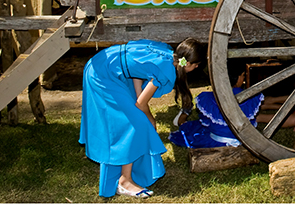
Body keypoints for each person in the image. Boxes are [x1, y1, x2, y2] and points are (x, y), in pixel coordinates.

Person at [79, 38, 203, 198]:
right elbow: (141, 104)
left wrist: (139, 98)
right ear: (187, 63)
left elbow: (137, 72)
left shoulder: (167, 53)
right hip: (102, 75)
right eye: (197, 64)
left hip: (105, 65)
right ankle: (124, 181)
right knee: (135, 124)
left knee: (134, 118)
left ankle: (127, 170)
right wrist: (150, 118)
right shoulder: (167, 70)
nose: (197, 67)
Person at [169, 64, 264, 148]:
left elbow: (205, 120)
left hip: (217, 140)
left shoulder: (210, 98)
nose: (243, 79)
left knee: (194, 127)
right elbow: (251, 121)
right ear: (238, 78)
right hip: (242, 140)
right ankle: (182, 118)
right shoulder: (247, 97)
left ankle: (182, 118)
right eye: (243, 76)